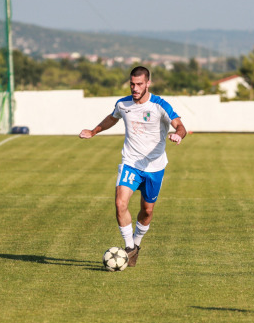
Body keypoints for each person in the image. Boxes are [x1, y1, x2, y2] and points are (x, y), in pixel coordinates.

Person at [79, 66, 187, 267]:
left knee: (147, 211)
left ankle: (136, 244)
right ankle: (129, 248)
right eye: (132, 84)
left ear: (148, 83)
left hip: (154, 167)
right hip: (131, 163)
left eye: (139, 84)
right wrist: (94, 131)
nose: (135, 88)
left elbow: (180, 126)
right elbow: (113, 118)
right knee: (120, 203)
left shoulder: (160, 105)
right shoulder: (123, 104)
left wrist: (177, 135)